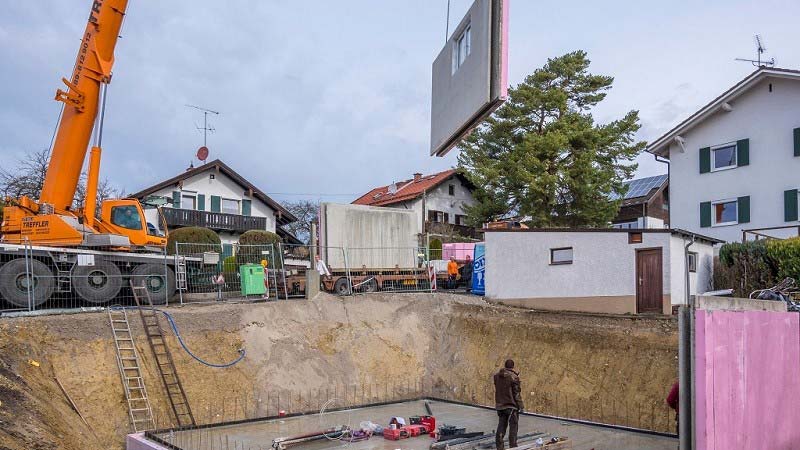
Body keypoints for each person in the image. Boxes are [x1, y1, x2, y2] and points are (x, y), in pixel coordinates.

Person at [494, 359, 523, 450]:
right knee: (513, 428)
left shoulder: (496, 376)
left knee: (501, 427)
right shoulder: (514, 377)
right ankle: (513, 447)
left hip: (500, 405)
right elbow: (516, 394)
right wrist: (521, 406)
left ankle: (500, 447)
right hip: (511, 406)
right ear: (513, 366)